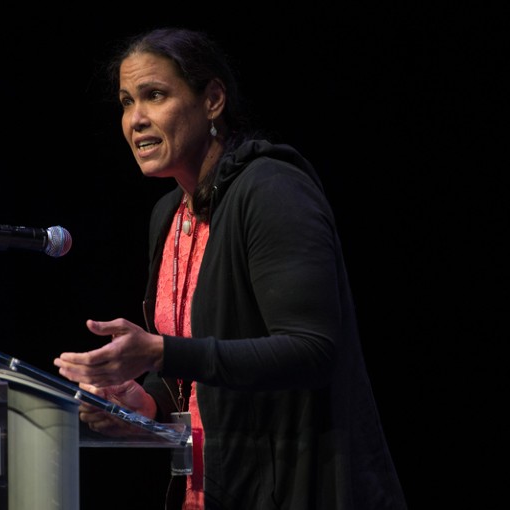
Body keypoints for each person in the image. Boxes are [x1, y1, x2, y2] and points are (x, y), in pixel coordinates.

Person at [54, 27, 407, 509]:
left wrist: (160, 352)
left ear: (213, 99)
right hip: (213, 489)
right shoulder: (168, 215)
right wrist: (147, 399)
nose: (136, 119)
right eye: (125, 101)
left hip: (300, 487)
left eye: (154, 96)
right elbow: (211, 357)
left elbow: (313, 349)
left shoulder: (271, 190)